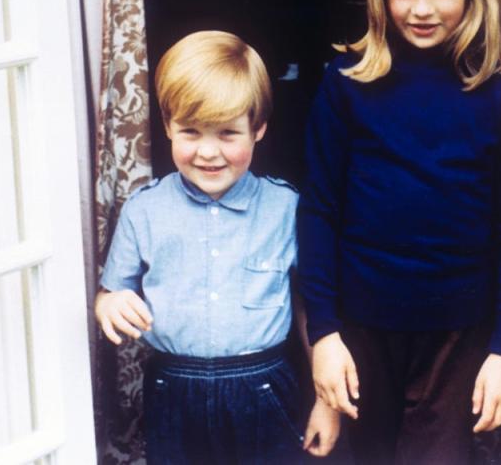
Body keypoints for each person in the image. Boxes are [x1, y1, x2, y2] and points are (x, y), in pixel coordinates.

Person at [298, 0, 501, 465]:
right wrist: (324, 337)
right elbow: (318, 214)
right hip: (364, 331)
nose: (422, 8)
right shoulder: (346, 84)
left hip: (460, 338)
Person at [96, 30, 340, 464]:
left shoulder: (286, 208)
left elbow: (311, 306)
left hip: (264, 388)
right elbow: (112, 291)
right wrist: (109, 302)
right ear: (168, 124)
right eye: (191, 132)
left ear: (259, 128)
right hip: (172, 389)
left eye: (228, 133)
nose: (208, 152)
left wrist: (326, 402)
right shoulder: (143, 210)